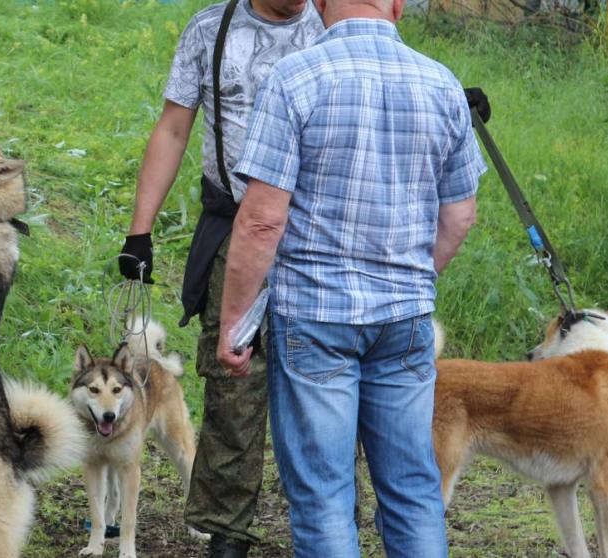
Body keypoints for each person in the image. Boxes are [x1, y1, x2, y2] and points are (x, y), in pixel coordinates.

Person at [215, 0, 488, 555]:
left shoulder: (293, 78)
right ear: (398, 4)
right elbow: (461, 213)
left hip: (315, 318)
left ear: (319, 4)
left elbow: (263, 218)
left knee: (322, 494)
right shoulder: (441, 83)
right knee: (413, 488)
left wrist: (234, 325)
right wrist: (411, 279)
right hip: (405, 319)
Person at [116, 1, 323, 556]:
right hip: (236, 229)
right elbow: (174, 129)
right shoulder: (210, 29)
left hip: (318, 235)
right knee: (234, 384)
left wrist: (447, 99)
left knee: (324, 384)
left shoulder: (336, 24)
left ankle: (330, 530)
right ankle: (227, 534)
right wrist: (140, 232)